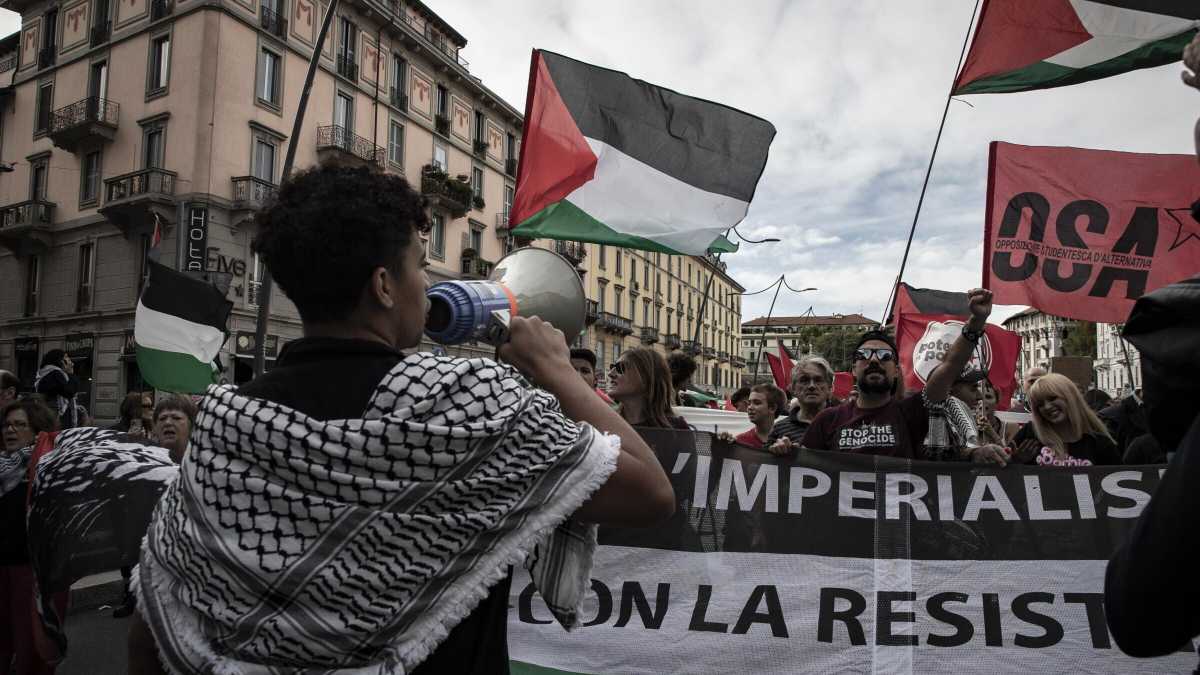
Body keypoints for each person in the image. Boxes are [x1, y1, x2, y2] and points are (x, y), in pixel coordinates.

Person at [128, 164, 674, 674]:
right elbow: (650, 492)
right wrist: (558, 370)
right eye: (418, 263)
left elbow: (159, 611)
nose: (427, 283)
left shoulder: (226, 425)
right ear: (385, 285)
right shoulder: (469, 406)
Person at [801, 289, 995, 458]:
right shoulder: (827, 420)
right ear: (853, 368)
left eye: (885, 356)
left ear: (896, 371)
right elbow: (798, 469)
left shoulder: (912, 412)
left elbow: (950, 366)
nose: (875, 360)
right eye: (865, 354)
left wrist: (976, 322)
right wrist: (782, 451)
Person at [1, 398, 59, 675]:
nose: (10, 430)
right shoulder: (2, 467)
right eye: (7, 425)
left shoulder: (47, 470)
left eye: (19, 425)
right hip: (2, 570)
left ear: (37, 431)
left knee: (29, 649)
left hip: (30, 572)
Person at [1010, 373, 1119, 466]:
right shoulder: (1030, 433)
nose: (1047, 407)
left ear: (1070, 397)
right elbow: (1001, 471)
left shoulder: (1099, 442)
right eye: (1040, 404)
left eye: (1052, 398)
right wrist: (1017, 461)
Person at [767, 354, 835, 455]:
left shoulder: (844, 423)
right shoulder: (779, 429)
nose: (811, 386)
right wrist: (774, 452)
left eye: (818, 380)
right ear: (793, 389)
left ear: (830, 388)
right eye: (804, 380)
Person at [609, 347, 689, 430]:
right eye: (612, 367)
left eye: (620, 367)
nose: (610, 373)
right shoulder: (605, 422)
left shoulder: (676, 428)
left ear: (646, 377)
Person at [34, 350, 80, 429]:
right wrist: (70, 373)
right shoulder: (56, 374)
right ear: (59, 360)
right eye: (66, 357)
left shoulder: (46, 373)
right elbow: (70, 392)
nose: (69, 360)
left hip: (49, 415)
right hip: (57, 418)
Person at [733, 384, 785, 448]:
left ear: (772, 408)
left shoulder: (786, 441)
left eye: (757, 403)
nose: (750, 407)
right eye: (749, 403)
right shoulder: (740, 441)